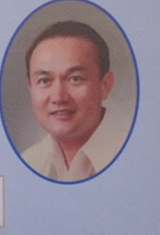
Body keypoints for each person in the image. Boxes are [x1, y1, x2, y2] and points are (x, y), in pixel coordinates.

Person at [21, 21, 128, 182]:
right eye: (44, 81)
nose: (58, 97)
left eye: (75, 79)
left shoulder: (135, 157)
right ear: (30, 88)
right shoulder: (28, 162)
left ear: (105, 85)